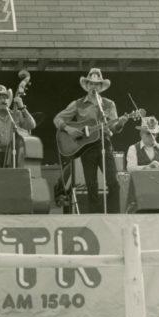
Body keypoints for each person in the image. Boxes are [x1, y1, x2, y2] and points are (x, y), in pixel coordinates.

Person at [53, 68, 128, 213]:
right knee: (91, 185)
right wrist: (69, 129)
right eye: (91, 84)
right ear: (87, 85)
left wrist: (121, 123)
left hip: (104, 144)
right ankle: (95, 216)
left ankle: (114, 216)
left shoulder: (109, 104)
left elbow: (114, 127)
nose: (94, 86)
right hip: (86, 148)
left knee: (113, 182)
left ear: (100, 87)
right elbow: (58, 118)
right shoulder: (78, 104)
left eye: (97, 84)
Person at [0, 85, 36, 168]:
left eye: (5, 98)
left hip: (17, 156)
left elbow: (31, 125)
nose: (3, 100)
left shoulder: (17, 114)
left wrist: (22, 108)